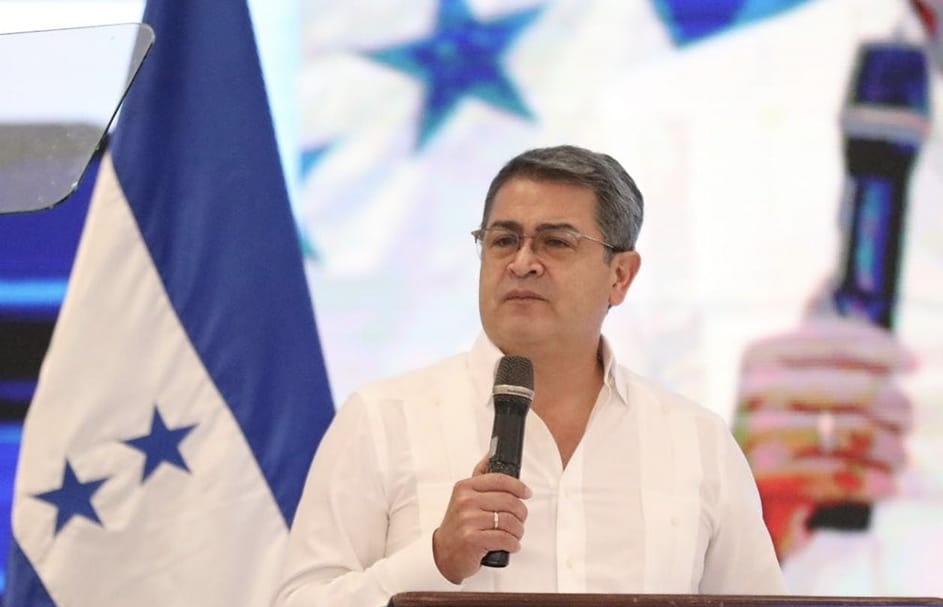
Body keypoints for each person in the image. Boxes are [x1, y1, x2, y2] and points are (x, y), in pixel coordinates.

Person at [273, 145, 784, 607]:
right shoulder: (383, 419)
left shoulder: (697, 440)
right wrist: (435, 560)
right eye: (503, 240)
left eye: (556, 242)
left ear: (620, 275)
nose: (522, 263)